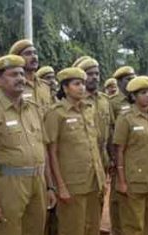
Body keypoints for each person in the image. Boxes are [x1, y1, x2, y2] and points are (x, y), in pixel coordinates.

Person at [0, 55, 56, 235]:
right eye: (13, 74)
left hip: (38, 181)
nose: (20, 78)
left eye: (21, 73)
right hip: (10, 185)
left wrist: (50, 187)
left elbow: (43, 150)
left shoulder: (33, 108)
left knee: (36, 229)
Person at [45, 67, 106, 235]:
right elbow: (51, 153)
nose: (82, 88)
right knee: (72, 229)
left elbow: (95, 144)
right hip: (72, 184)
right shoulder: (56, 113)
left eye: (83, 84)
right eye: (76, 84)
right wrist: (60, 186)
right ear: (65, 88)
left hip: (94, 181)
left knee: (92, 228)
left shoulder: (89, 109)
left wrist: (101, 177)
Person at [114, 76, 148, 235]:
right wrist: (121, 181)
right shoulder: (126, 118)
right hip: (134, 180)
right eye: (143, 93)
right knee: (133, 224)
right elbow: (119, 150)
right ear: (133, 96)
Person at [109, 66, 136, 235]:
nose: (131, 81)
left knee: (134, 194)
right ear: (119, 83)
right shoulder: (113, 102)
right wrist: (112, 157)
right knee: (117, 197)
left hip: (136, 155)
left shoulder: (138, 99)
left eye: (133, 78)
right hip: (119, 155)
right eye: (127, 79)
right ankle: (117, 230)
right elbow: (110, 131)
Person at [77, 57, 113, 171]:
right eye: (90, 74)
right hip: (83, 159)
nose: (95, 77)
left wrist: (112, 157)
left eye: (97, 74)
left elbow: (111, 130)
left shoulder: (105, 100)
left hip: (103, 158)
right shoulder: (77, 101)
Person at [9, 39, 52, 115]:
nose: (34, 57)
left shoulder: (45, 86)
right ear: (18, 58)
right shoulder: (13, 87)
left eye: (35, 53)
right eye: (28, 54)